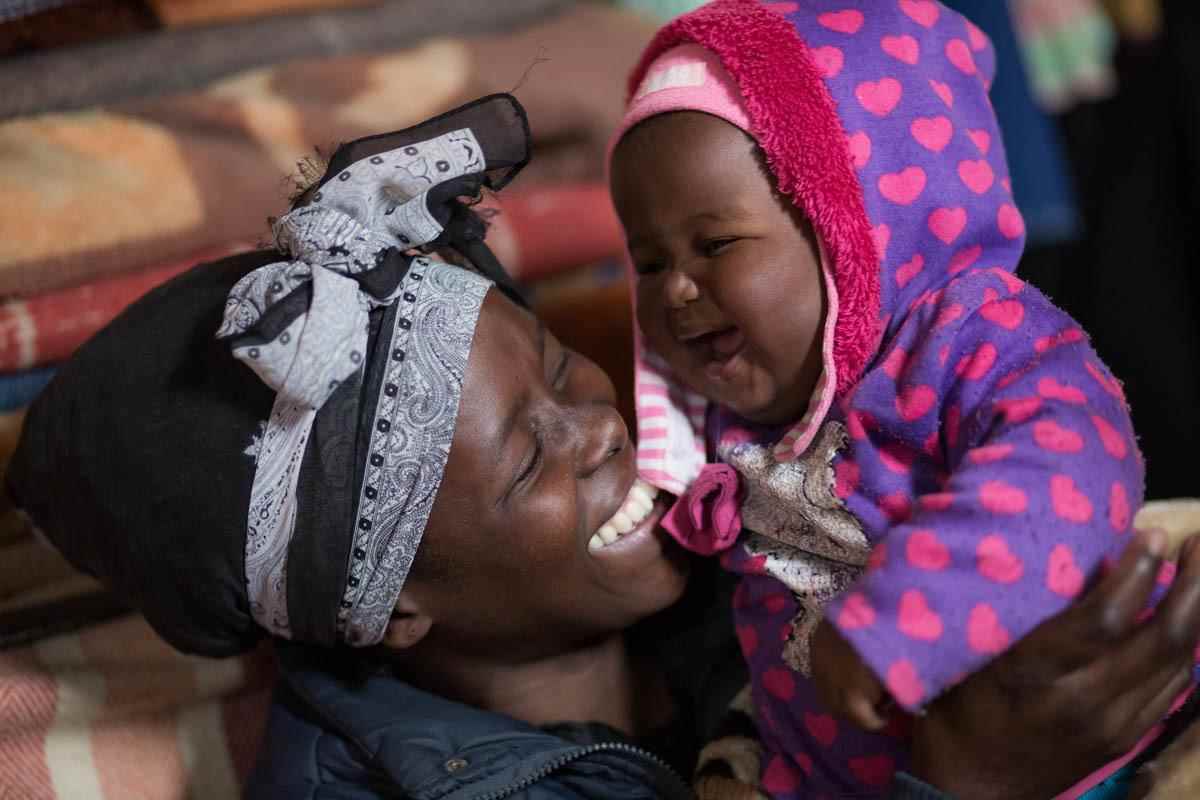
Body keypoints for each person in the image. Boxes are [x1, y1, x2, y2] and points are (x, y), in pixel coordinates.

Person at [5, 94, 1200, 800]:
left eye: (566, 369)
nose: (601, 426)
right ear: (396, 604)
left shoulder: (751, 555)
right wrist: (966, 782)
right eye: (526, 462)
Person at [606, 1, 1192, 796]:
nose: (676, 288)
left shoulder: (973, 336)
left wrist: (908, 617)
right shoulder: (740, 419)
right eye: (646, 261)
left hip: (1114, 756)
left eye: (715, 245)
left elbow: (1072, 473)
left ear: (860, 220)